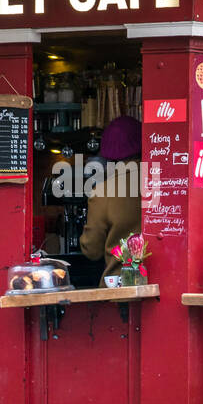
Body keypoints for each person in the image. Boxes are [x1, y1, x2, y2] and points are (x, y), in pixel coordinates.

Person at [80, 115, 142, 283]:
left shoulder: (102, 191)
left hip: (121, 286)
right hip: (164, 285)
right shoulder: (166, 182)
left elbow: (92, 250)